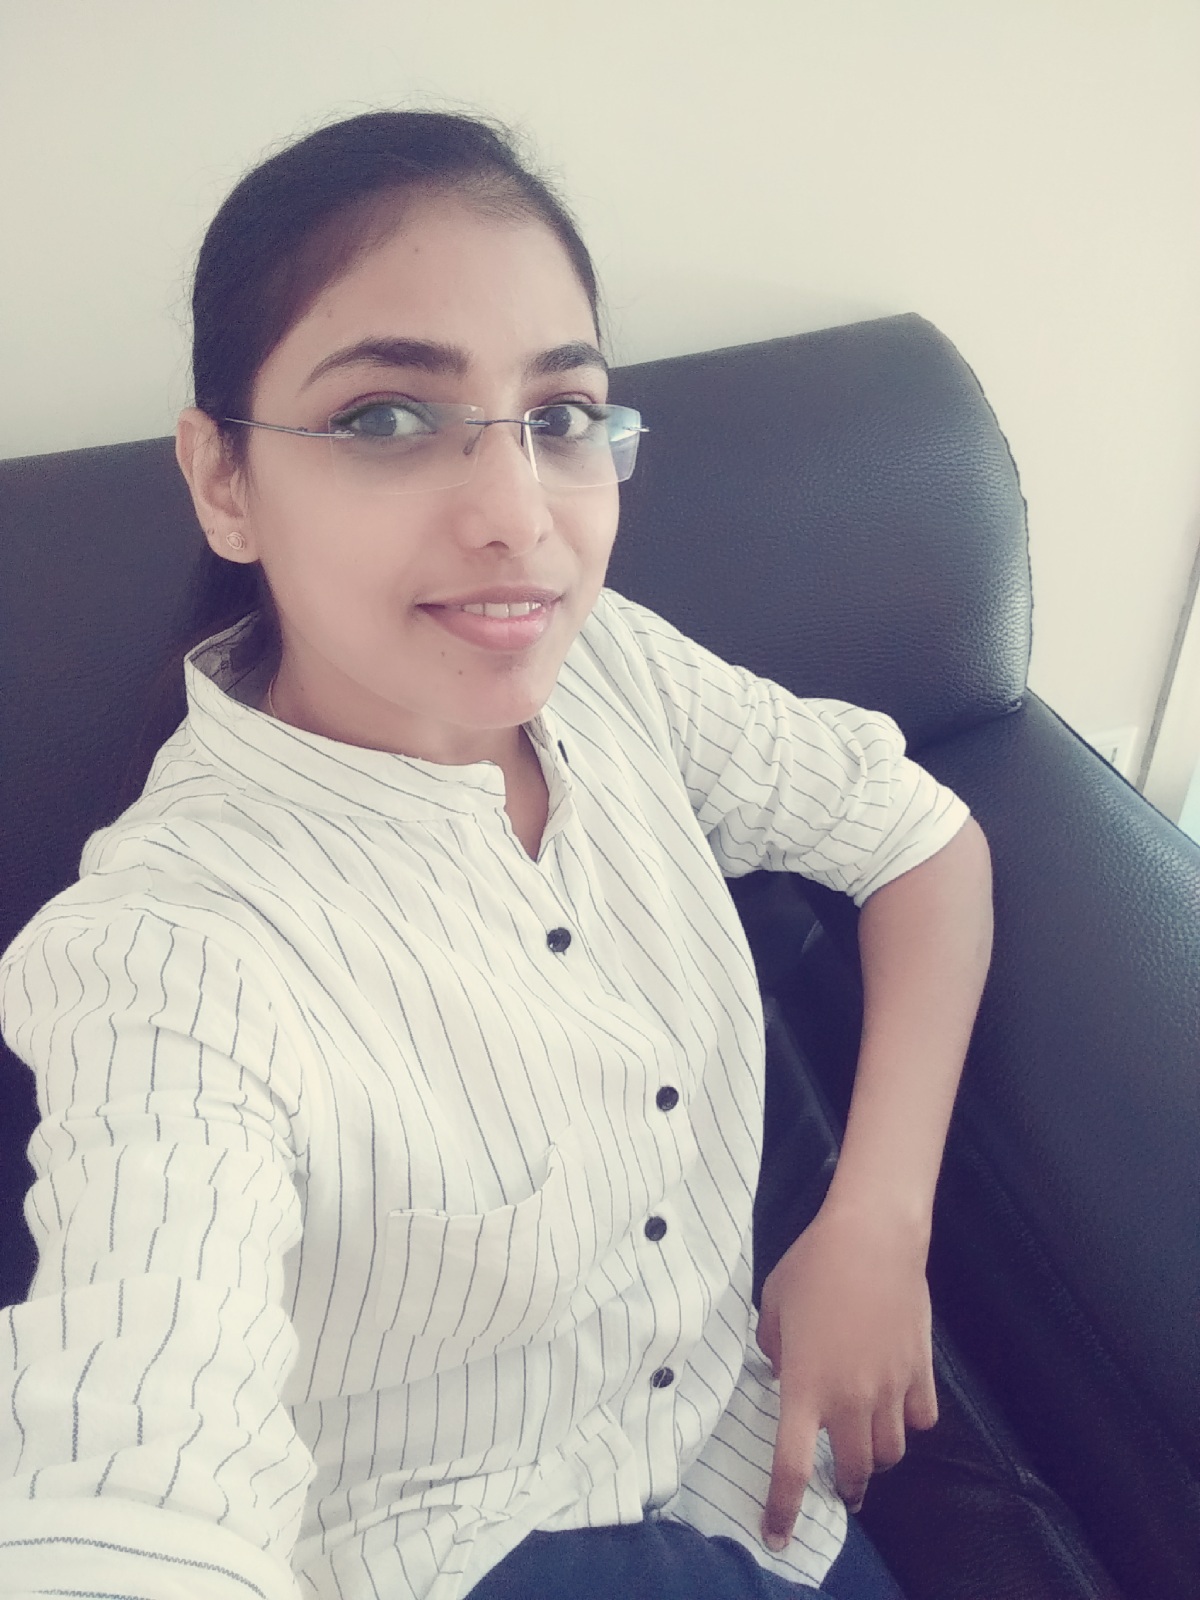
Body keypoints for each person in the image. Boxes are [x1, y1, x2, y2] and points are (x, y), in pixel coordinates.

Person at [0, 111, 992, 1600]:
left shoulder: (616, 673)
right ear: (223, 481)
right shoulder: (173, 953)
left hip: (752, 1480)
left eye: (562, 414)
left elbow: (919, 837)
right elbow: (130, 1470)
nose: (520, 518)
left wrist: (877, 1220)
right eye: (387, 420)